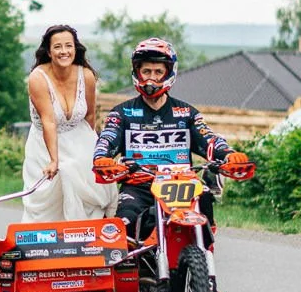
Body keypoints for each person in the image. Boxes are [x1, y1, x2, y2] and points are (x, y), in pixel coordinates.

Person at [90, 37, 254, 244]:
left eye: (158, 72)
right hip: (139, 185)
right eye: (146, 72)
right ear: (137, 73)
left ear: (169, 73)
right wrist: (102, 158)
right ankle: (133, 269)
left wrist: (229, 155)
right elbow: (107, 139)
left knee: (204, 197)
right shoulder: (121, 113)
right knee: (124, 222)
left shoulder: (186, 113)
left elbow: (208, 139)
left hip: (183, 185)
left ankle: (203, 258)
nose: (152, 78)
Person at [21, 25, 117, 222]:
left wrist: (91, 148)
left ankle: (93, 240)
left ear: (75, 48)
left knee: (90, 186)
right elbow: (49, 121)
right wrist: (54, 160)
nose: (64, 51)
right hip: (45, 143)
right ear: (49, 51)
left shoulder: (86, 76)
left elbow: (90, 115)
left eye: (68, 46)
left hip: (80, 138)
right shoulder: (37, 78)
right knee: (58, 181)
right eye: (57, 47)